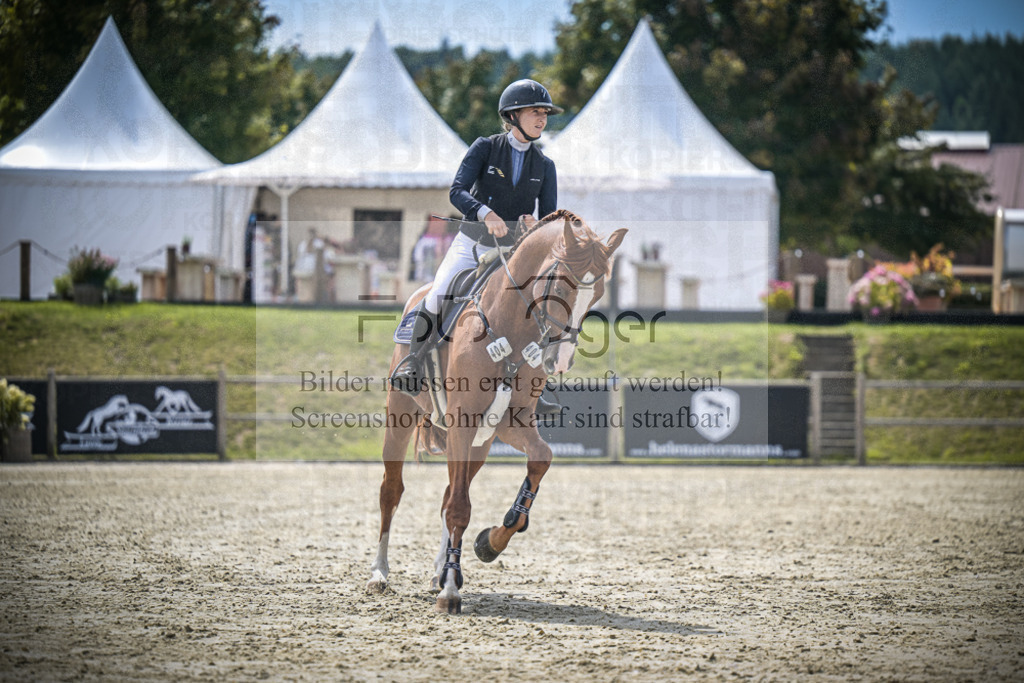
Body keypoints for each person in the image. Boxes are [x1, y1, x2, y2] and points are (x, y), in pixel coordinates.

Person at [392, 79, 562, 405]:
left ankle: (534, 387)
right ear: (513, 115)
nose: (542, 119)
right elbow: (457, 191)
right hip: (473, 245)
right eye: (534, 112)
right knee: (439, 292)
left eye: (544, 114)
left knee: (538, 308)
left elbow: (549, 219)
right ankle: (411, 363)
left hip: (514, 254)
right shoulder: (485, 147)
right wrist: (485, 213)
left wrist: (535, 226)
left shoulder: (545, 166)